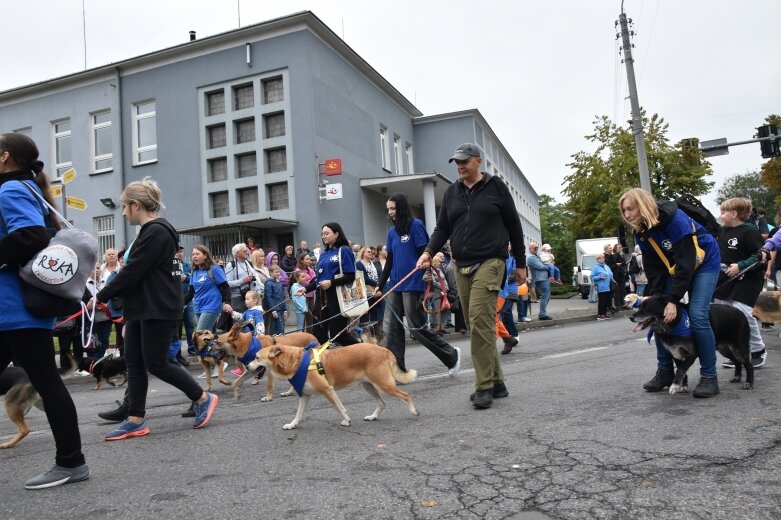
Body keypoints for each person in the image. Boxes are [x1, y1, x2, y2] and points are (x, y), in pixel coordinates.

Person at [95, 178, 219, 441]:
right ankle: (135, 419)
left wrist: (102, 295)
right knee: (135, 362)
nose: (124, 212)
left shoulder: (157, 232)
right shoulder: (150, 232)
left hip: (157, 307)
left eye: (124, 207)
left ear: (136, 205)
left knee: (157, 362)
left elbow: (134, 270)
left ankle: (203, 397)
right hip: (143, 307)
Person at [0, 132, 89, 489]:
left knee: (47, 383)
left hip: (16, 310)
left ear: (5, 157)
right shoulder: (23, 187)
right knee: (46, 383)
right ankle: (71, 462)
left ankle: (71, 462)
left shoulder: (10, 189)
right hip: (12, 310)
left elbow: (31, 237)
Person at [416, 143, 526, 410]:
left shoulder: (496, 187)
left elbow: (514, 226)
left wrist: (521, 263)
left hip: (491, 261)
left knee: (478, 321)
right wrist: (429, 251)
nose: (460, 165)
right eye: (456, 161)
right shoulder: (452, 192)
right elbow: (442, 228)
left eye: (465, 161)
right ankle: (497, 382)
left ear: (478, 161)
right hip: (462, 263)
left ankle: (483, 386)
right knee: (476, 322)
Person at [619, 187, 722, 398]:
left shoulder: (674, 219)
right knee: (657, 314)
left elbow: (686, 261)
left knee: (698, 315)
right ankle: (665, 372)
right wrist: (656, 297)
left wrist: (673, 300)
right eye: (624, 211)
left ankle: (710, 377)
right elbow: (654, 266)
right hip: (677, 265)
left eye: (630, 209)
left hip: (703, 261)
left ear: (644, 204)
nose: (627, 215)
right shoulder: (641, 230)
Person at [376, 193, 460, 375]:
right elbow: (389, 260)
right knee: (390, 328)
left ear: (401, 208)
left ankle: (451, 355)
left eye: (393, 208)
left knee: (416, 329)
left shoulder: (416, 226)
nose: (390, 212)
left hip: (413, 283)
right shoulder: (391, 232)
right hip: (395, 284)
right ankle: (396, 370)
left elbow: (425, 251)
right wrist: (380, 283)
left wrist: (429, 261)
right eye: (388, 209)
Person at [714, 198, 767, 368]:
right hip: (726, 279)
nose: (720, 216)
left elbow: (762, 255)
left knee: (742, 312)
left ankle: (758, 350)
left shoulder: (750, 232)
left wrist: (741, 266)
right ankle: (736, 351)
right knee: (726, 314)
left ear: (734, 214)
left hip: (749, 279)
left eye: (723, 212)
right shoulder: (723, 231)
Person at [298, 222, 360, 346]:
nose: (323, 236)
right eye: (322, 234)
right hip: (321, 298)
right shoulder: (323, 254)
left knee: (339, 335)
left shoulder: (344, 250)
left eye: (327, 233)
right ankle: (326, 362)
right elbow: (320, 279)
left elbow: (351, 276)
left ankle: (362, 352)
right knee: (318, 334)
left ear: (336, 234)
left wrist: (332, 283)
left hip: (337, 297)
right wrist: (306, 289)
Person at [224, 243, 255, 313]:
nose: (247, 252)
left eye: (247, 250)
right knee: (240, 322)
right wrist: (243, 280)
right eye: (244, 251)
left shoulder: (249, 264)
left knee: (251, 322)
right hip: (237, 298)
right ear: (237, 254)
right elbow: (227, 283)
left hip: (250, 297)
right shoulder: (231, 265)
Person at [526, 243, 552, 321]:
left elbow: (543, 264)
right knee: (545, 295)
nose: (536, 249)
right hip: (540, 279)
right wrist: (548, 267)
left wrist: (546, 266)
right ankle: (542, 314)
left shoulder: (536, 256)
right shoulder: (531, 258)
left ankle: (542, 314)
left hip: (543, 278)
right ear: (530, 248)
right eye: (534, 248)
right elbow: (540, 266)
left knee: (546, 295)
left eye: (537, 248)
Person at [356, 246, 380, 331]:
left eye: (371, 252)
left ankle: (376, 333)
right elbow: (363, 278)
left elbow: (378, 274)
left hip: (375, 290)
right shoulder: (359, 264)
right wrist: (376, 283)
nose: (371, 253)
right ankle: (365, 334)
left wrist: (379, 285)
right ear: (363, 253)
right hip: (364, 291)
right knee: (365, 313)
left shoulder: (373, 263)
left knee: (374, 312)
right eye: (368, 252)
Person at [294, 252, 317, 332]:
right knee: (302, 319)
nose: (309, 261)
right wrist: (309, 284)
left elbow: (314, 280)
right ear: (301, 261)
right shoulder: (298, 271)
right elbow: (297, 284)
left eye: (309, 259)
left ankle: (309, 335)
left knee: (310, 318)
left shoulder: (310, 270)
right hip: (302, 296)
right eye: (307, 259)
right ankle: (301, 336)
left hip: (311, 296)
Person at [263, 265, 287, 335]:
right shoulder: (269, 284)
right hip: (275, 309)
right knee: (279, 328)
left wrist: (285, 309)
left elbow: (283, 297)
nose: (279, 273)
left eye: (279, 272)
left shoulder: (279, 283)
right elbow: (269, 298)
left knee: (282, 328)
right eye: (276, 272)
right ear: (271, 273)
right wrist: (273, 310)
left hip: (281, 309)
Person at [590, 253, 614, 320]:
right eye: (600, 258)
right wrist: (599, 277)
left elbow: (610, 274)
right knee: (602, 301)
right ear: (597, 260)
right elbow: (592, 277)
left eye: (603, 258)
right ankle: (600, 315)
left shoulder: (606, 266)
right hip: (601, 287)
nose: (602, 259)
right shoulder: (596, 267)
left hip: (608, 286)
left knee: (606, 301)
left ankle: (605, 314)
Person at [610, 244, 627, 309]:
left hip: (621, 275)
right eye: (619, 247)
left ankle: (621, 303)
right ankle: (618, 304)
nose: (621, 248)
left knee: (622, 290)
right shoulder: (615, 256)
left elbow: (623, 263)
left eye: (621, 247)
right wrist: (620, 265)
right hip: (618, 275)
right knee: (618, 290)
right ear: (615, 249)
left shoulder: (620, 255)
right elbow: (615, 265)